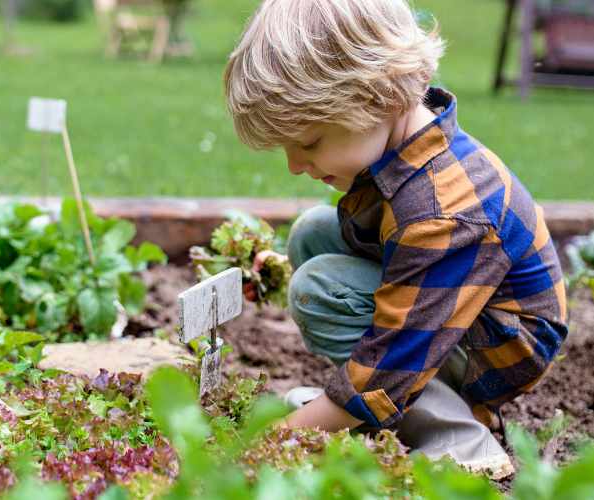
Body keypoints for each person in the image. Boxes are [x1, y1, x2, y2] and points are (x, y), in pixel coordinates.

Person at [223, 0, 568, 478]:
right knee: (312, 236)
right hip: (459, 319)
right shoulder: (405, 146)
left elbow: (395, 355)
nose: (295, 166)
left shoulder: (443, 213)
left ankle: (459, 434)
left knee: (318, 290)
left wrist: (274, 443)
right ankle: (384, 408)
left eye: (309, 143)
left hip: (492, 353)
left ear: (379, 98)